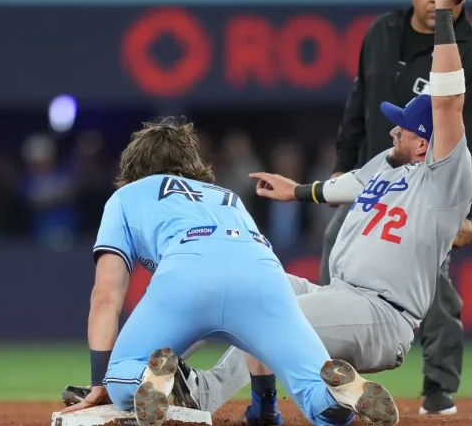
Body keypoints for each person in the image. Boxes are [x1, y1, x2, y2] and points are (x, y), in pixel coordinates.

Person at [177, 0, 472, 425]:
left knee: (271, 314)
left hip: (382, 314)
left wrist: (446, 18)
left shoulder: (442, 180)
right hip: (338, 295)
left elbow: (449, 102)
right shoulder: (389, 166)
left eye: (404, 129)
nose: (393, 131)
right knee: (245, 284)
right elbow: (348, 185)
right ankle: (272, 403)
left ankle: (203, 394)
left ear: (426, 145)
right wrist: (297, 190)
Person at [59, 119, 399, 426]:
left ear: (132, 165)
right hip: (264, 274)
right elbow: (242, 283)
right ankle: (338, 396)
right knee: (314, 389)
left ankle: (150, 379)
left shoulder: (126, 196)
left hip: (187, 273)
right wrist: (264, 407)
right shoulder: (227, 198)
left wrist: (99, 383)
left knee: (122, 378)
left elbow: (105, 296)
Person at [323, 0, 472, 415]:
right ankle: (337, 367)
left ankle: (439, 386)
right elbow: (358, 102)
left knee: (428, 282)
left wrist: (464, 207)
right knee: (333, 251)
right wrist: (344, 165)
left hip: (427, 189)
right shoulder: (381, 32)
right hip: (372, 182)